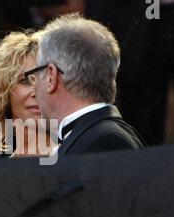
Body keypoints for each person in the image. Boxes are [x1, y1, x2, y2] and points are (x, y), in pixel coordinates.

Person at [25, 14, 146, 156]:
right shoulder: (96, 135)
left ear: (51, 77)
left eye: (35, 75)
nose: (33, 88)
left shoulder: (106, 141)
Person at [0, 32, 54, 157]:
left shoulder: (79, 153)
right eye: (25, 81)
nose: (37, 92)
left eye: (47, 79)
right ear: (3, 92)